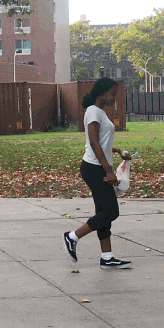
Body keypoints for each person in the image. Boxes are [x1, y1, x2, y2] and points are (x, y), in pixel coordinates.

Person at [64, 78, 133, 269]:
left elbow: (100, 142)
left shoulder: (99, 112)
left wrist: (118, 151)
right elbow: (94, 143)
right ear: (102, 93)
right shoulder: (93, 111)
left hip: (97, 167)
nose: (114, 97)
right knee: (111, 211)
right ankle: (72, 237)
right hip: (95, 169)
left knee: (103, 213)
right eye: (112, 93)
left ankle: (107, 257)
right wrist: (109, 170)